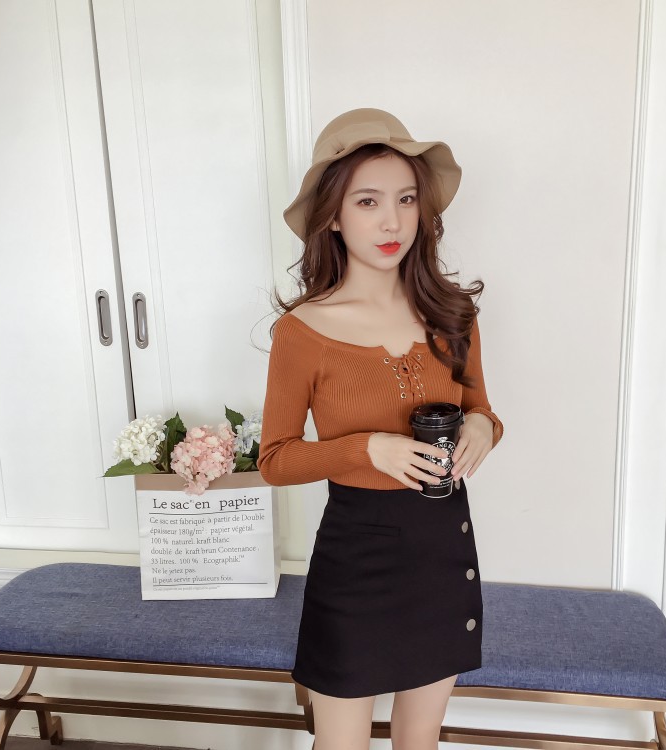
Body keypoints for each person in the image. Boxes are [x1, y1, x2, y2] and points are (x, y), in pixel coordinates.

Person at [256, 108, 504, 750]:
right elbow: (275, 460)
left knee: (420, 740)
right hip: (356, 556)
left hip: (442, 549)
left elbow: (482, 408)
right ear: (334, 216)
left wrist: (483, 426)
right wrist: (368, 448)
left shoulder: (452, 313)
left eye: (406, 199)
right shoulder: (302, 331)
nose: (392, 221)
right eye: (368, 201)